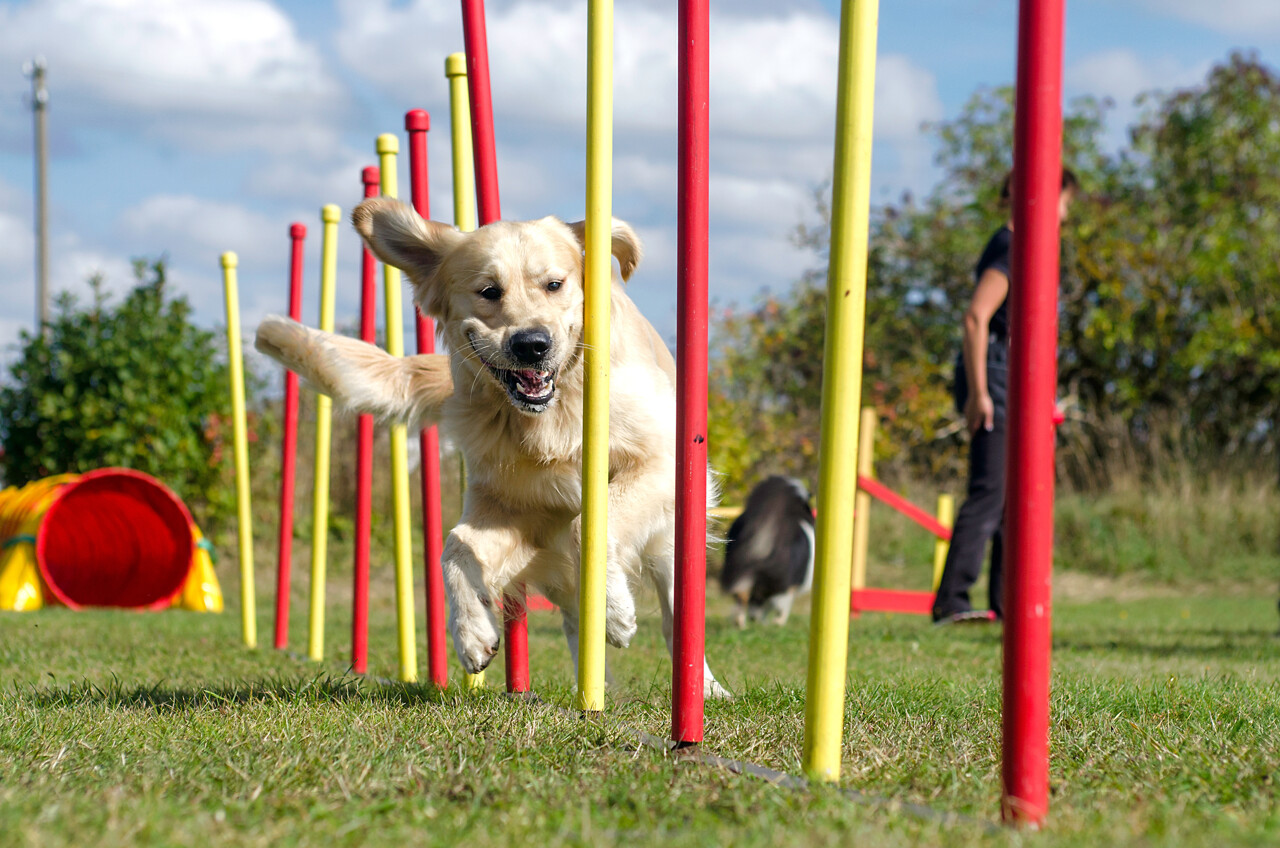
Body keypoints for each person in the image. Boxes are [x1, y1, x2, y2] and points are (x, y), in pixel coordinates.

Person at [931, 168, 1078, 625]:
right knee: (990, 492)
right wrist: (979, 393)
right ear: (1035, 195)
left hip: (1015, 381)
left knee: (1015, 497)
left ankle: (1003, 601)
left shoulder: (1027, 248)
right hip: (994, 378)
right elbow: (977, 317)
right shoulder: (1010, 245)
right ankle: (951, 602)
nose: (1065, 215)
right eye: (1063, 203)